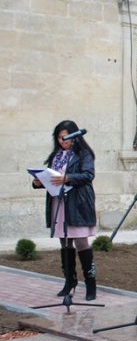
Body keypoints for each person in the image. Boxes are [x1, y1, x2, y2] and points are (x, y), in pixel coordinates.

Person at [32, 120, 98, 300]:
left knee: (81, 241)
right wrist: (38, 182)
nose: (62, 141)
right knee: (64, 242)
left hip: (77, 203)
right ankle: (70, 280)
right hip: (59, 202)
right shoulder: (57, 155)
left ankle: (91, 284)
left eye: (65, 137)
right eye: (59, 137)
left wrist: (67, 177)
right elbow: (51, 177)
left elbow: (88, 175)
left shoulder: (83, 154)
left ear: (74, 136)